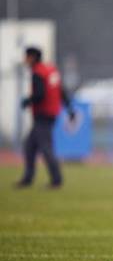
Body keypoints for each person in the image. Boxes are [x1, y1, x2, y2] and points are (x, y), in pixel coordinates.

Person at [16, 47, 74, 189]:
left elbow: (40, 94)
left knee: (46, 148)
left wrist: (27, 101)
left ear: (33, 57)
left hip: (43, 114)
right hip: (51, 113)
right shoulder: (51, 70)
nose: (25, 60)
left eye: (27, 56)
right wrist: (69, 108)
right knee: (29, 146)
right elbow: (61, 90)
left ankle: (56, 180)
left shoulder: (38, 73)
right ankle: (28, 179)